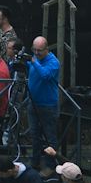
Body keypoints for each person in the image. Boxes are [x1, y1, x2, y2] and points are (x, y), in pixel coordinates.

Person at [28, 35, 61, 168]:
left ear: (46, 49)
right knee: (34, 135)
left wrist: (33, 62)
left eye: (39, 50)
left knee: (50, 137)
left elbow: (45, 75)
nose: (36, 53)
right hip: (33, 103)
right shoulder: (35, 58)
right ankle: (34, 162)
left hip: (48, 106)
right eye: (34, 50)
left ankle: (50, 166)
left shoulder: (54, 62)